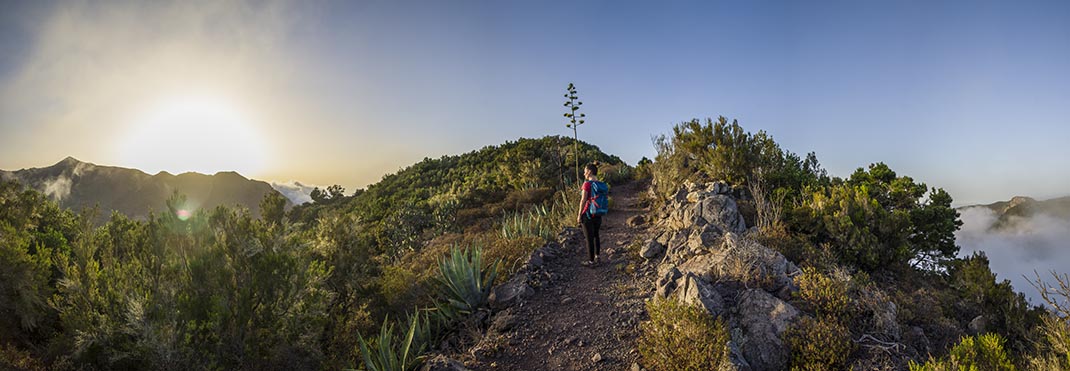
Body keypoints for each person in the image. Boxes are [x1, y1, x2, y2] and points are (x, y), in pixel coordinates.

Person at [577, 162, 607, 267]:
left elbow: (583, 200)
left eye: (585, 171)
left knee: (589, 238)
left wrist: (579, 215)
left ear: (589, 172)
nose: (584, 173)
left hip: (588, 214)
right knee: (596, 235)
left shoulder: (587, 184)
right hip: (598, 213)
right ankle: (598, 257)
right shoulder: (600, 184)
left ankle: (591, 261)